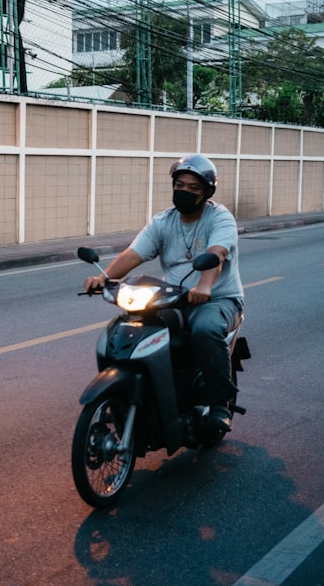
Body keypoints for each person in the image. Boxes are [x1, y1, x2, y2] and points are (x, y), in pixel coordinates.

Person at [83, 154, 244, 432]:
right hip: (175, 299)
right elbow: (134, 254)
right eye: (179, 185)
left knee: (204, 330)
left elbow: (217, 252)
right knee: (132, 329)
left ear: (207, 192)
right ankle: (147, 393)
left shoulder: (220, 218)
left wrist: (204, 286)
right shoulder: (163, 221)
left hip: (218, 299)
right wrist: (105, 277)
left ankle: (219, 404)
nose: (184, 191)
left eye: (193, 188)